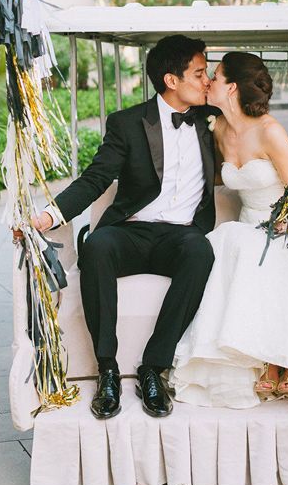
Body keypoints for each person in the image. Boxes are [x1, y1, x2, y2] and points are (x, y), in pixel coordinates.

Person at [15, 34, 218, 420]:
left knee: (201, 251)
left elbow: (253, 136)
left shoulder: (211, 120)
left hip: (181, 236)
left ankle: (153, 368)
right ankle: (106, 368)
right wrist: (47, 215)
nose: (206, 81)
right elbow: (95, 179)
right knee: (98, 246)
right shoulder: (127, 123)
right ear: (171, 80)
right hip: (132, 231)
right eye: (199, 73)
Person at [169, 51, 288, 409]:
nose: (208, 83)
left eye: (214, 77)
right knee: (236, 244)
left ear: (231, 87)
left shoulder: (269, 132)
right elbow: (216, 176)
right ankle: (257, 361)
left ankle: (281, 364)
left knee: (259, 253)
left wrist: (285, 221)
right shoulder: (219, 130)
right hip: (249, 224)